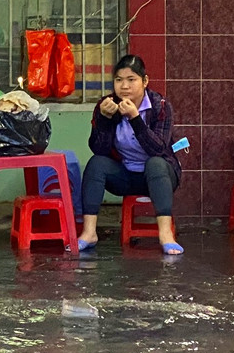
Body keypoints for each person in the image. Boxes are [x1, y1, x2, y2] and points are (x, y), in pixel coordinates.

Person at [77, 54, 183, 255]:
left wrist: (135, 118)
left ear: (145, 82)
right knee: (96, 163)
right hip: (125, 175)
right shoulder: (106, 104)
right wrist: (104, 119)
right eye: (118, 80)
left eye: (131, 80)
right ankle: (89, 232)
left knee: (155, 163)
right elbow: (99, 149)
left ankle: (166, 235)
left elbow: (158, 149)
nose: (124, 86)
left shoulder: (160, 106)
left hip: (160, 177)